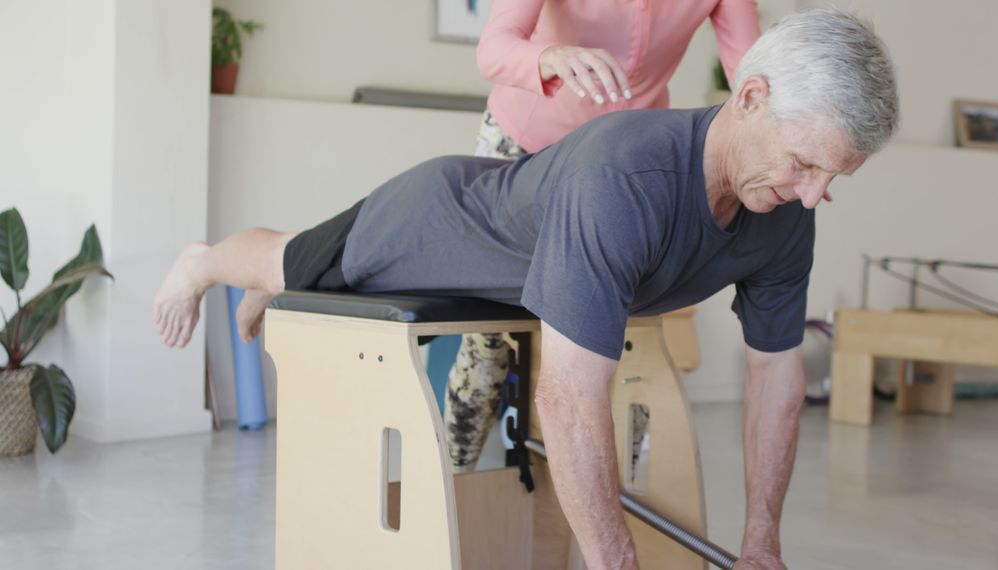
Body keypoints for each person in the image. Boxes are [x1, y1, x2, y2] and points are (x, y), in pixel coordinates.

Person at [153, 9, 898, 568]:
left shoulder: (785, 208)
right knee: (291, 259)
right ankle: (211, 262)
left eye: (834, 176)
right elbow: (569, 399)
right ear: (751, 99)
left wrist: (763, 539)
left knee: (306, 264)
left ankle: (287, 276)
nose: (813, 194)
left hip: (555, 205)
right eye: (805, 164)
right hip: (443, 218)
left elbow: (775, 374)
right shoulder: (626, 181)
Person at [446, 0, 764, 474]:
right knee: (488, 336)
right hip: (522, 146)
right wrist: (549, 57)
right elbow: (493, 49)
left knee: (619, 341)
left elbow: (752, 77)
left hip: (631, 162)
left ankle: (623, 497)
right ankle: (452, 480)